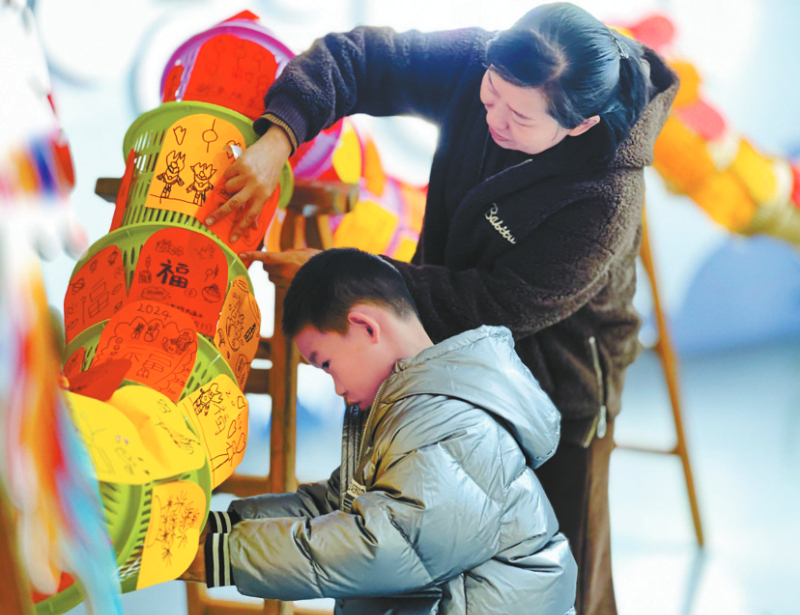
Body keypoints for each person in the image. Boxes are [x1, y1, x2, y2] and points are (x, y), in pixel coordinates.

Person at [209, 3, 679, 613]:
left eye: (519, 116)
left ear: (581, 124)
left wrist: (346, 277)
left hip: (559, 382)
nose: (492, 117)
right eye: (491, 93)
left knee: (556, 576)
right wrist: (281, 135)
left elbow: (498, 302)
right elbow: (360, 60)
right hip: (447, 357)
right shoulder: (479, 64)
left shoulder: (604, 195)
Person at [181, 247, 577, 614]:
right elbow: (339, 507)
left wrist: (221, 558)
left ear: (365, 327)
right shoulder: (415, 409)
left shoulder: (456, 424)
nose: (336, 387)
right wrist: (216, 528)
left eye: (326, 364)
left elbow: (385, 546)